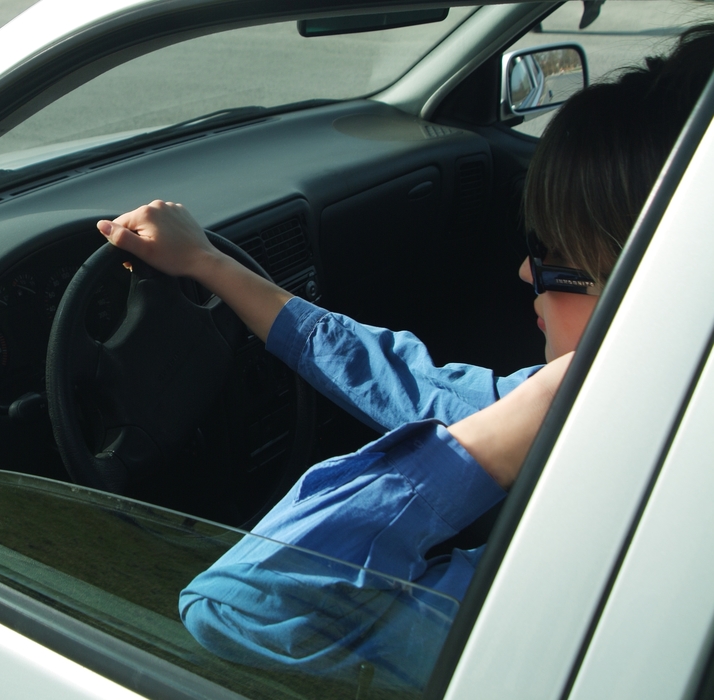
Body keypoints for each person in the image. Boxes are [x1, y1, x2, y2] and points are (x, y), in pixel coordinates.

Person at [97, 24, 714, 691]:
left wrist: (543, 403)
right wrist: (208, 264)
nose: (525, 274)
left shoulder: (610, 567)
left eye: (557, 259)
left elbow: (243, 602)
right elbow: (406, 381)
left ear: (659, 291)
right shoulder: (648, 421)